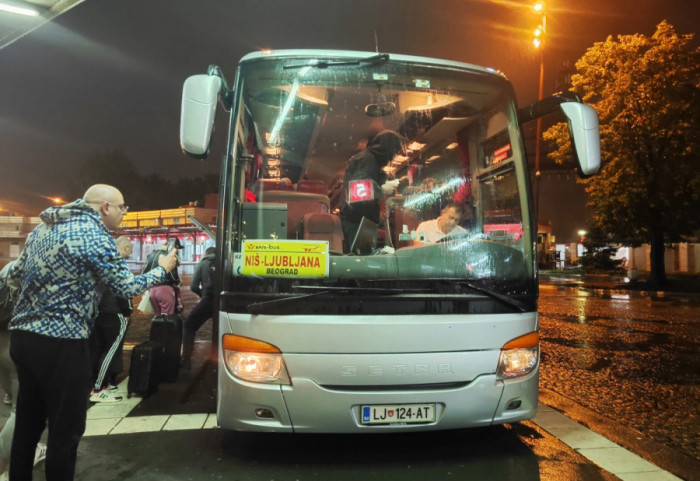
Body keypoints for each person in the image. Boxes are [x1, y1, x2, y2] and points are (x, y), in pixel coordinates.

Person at [7, 184, 178, 481]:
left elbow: (14, 274)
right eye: (123, 206)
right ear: (105, 207)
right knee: (66, 429)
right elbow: (126, 287)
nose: (125, 212)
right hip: (63, 341)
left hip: (23, 338)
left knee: (28, 423)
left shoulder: (42, 230)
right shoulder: (93, 235)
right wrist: (161, 269)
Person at [0, 262, 46, 481]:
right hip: (15, 343)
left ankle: (25, 450)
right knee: (21, 411)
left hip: (0, 343)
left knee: (11, 402)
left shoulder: (7, 270)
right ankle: (5, 464)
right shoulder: (36, 267)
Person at [339, 130, 406, 251]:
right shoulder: (368, 160)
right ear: (389, 148)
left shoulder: (367, 158)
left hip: (355, 218)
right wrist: (380, 189)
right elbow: (359, 193)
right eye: (395, 151)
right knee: (362, 261)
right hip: (358, 221)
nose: (394, 155)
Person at [88, 236, 134, 403]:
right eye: (129, 247)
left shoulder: (103, 263)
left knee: (99, 350)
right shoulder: (120, 265)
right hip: (115, 314)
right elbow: (125, 291)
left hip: (99, 313)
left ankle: (98, 383)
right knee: (110, 352)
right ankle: (99, 389)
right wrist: (128, 311)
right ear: (124, 247)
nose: (131, 251)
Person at [181, 246, 216, 371]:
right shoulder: (225, 261)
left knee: (189, 325)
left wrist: (203, 295)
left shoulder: (203, 264)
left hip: (208, 301)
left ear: (205, 254)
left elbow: (193, 286)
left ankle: (186, 359)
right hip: (223, 302)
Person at [143, 239, 182, 315]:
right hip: (165, 289)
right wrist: (178, 281)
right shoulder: (169, 256)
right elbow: (173, 276)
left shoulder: (150, 255)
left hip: (152, 290)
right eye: (177, 248)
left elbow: (144, 272)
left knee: (158, 315)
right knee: (168, 317)